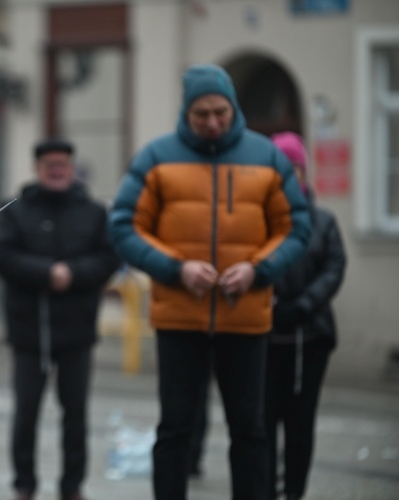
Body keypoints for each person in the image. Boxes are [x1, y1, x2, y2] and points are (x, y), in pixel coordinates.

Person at [108, 63, 312, 500]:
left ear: (233, 107)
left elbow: (296, 227)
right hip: (179, 319)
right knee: (176, 429)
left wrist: (258, 269)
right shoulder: (156, 158)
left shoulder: (269, 158)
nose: (213, 122)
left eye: (220, 111)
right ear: (187, 112)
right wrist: (175, 268)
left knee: (251, 431)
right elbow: (123, 226)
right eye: (202, 114)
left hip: (247, 318)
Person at [0, 139, 121, 500]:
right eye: (49, 164)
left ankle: (72, 486)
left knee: (76, 415)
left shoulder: (93, 212)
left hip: (77, 332)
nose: (57, 170)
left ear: (71, 167)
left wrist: (73, 273)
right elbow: (4, 258)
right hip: (28, 331)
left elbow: (108, 259)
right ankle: (24, 485)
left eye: (62, 164)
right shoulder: (16, 211)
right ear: (38, 168)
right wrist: (47, 272)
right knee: (26, 415)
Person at [266, 132, 347, 500]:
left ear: (303, 171)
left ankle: (294, 491)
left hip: (309, 336)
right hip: (265, 337)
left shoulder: (323, 222)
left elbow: (333, 267)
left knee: (300, 423)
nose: (287, 176)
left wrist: (302, 304)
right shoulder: (258, 219)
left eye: (293, 168)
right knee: (262, 423)